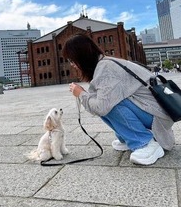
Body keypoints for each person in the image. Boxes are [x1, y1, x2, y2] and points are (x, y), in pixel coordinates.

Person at [63, 34, 175, 165]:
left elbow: (101, 107)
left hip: (158, 116)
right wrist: (85, 95)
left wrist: (81, 94)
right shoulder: (105, 63)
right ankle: (128, 137)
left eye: (72, 60)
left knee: (108, 105)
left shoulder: (106, 68)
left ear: (81, 57)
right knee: (105, 102)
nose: (72, 65)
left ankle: (144, 143)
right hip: (156, 110)